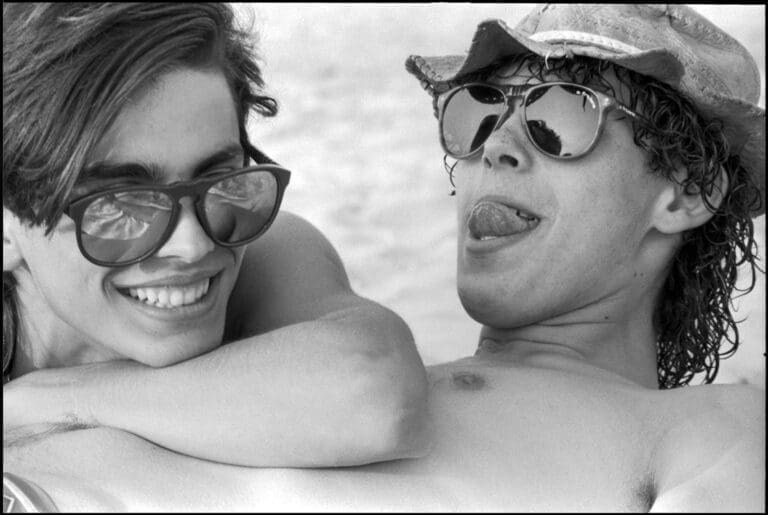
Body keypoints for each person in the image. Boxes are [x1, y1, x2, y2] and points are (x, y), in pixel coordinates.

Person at [4, 3, 765, 512]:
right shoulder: (287, 350)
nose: (496, 146)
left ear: (688, 190)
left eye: (560, 117)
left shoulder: (710, 428)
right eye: (478, 113)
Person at [2, 3, 432, 510]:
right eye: (121, 206)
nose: (193, 245)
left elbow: (377, 392)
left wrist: (61, 400)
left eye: (218, 181)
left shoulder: (268, 252)